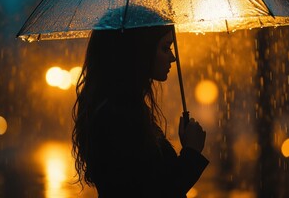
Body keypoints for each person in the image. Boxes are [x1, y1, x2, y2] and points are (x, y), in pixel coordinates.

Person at [72, 24, 208, 198]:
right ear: (139, 51)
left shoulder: (122, 108)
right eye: (165, 48)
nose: (173, 57)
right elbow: (158, 191)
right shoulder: (118, 117)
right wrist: (192, 152)